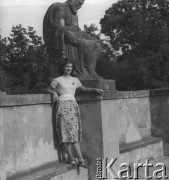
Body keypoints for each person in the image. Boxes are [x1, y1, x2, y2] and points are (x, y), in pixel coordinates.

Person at [47, 58, 103, 166]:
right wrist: (54, 93)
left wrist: (94, 90)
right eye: (67, 66)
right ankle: (71, 157)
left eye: (70, 67)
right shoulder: (58, 80)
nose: (68, 68)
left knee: (74, 133)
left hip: (73, 106)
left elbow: (83, 89)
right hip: (62, 105)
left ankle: (80, 158)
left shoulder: (75, 80)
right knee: (65, 132)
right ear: (63, 67)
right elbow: (48, 89)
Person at [43, 0, 102, 80]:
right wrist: (66, 32)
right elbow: (54, 27)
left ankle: (90, 70)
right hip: (62, 40)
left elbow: (77, 30)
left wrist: (91, 38)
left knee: (95, 45)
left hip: (75, 38)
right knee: (85, 44)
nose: (80, 6)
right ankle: (82, 72)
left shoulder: (74, 14)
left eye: (82, 4)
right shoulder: (59, 8)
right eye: (79, 3)